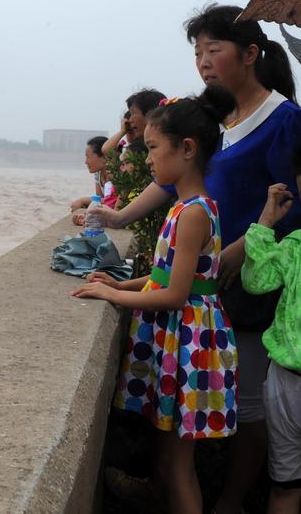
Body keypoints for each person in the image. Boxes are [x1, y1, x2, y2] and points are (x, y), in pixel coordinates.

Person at [89, 3, 301, 514]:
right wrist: (115, 219)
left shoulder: (285, 121)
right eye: (197, 52)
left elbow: (292, 204)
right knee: (202, 420)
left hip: (252, 281)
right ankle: (184, 487)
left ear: (250, 54)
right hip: (210, 278)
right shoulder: (216, 120)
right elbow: (171, 182)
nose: (203, 61)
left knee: (247, 405)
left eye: (214, 49)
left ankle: (230, 499)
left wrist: (238, 249)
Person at [74, 87, 238, 514]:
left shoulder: (195, 211)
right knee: (165, 458)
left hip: (189, 342)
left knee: (177, 463)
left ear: (186, 149)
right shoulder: (186, 207)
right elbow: (164, 276)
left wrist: (111, 293)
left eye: (152, 148)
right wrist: (120, 283)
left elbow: (177, 293)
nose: (147, 159)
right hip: (178, 339)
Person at [241, 150, 301, 514]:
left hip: (287, 385)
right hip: (285, 384)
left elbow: (254, 280)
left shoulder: (294, 244)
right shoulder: (294, 244)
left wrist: (264, 222)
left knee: (286, 489)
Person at [71, 136, 117, 225]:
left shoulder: (116, 175)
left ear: (104, 157)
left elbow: (111, 201)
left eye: (88, 157)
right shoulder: (98, 174)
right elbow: (100, 200)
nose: (86, 162)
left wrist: (83, 200)